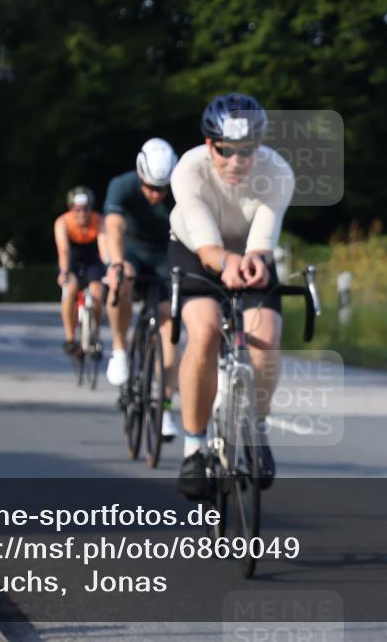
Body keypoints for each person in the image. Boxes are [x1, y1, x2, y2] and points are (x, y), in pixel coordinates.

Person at [169, 93, 294, 500]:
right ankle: (193, 448)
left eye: (246, 152)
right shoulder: (188, 170)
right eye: (225, 151)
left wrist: (255, 261)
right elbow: (207, 249)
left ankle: (257, 430)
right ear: (210, 145)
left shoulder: (279, 173)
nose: (236, 162)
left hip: (248, 249)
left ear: (259, 146)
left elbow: (262, 242)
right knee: (204, 331)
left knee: (265, 335)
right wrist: (228, 263)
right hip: (195, 249)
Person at [104, 138, 180, 439]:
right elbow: (113, 226)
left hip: (166, 255)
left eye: (161, 189)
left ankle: (166, 407)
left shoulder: (180, 189)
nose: (155, 195)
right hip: (133, 250)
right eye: (149, 187)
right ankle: (120, 349)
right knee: (121, 280)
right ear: (140, 175)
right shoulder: (121, 186)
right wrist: (117, 262)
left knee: (170, 323)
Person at [55, 186, 106, 355]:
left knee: (97, 293)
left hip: (93, 260)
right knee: (70, 290)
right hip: (72, 260)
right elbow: (63, 250)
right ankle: (70, 337)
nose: (82, 214)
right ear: (71, 209)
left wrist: (110, 267)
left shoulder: (98, 221)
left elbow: (104, 248)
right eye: (77, 210)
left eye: (85, 209)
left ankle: (94, 333)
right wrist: (64, 272)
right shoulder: (63, 222)